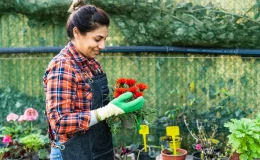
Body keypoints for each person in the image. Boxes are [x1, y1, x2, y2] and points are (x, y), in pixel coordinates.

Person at [42, 0, 145, 159]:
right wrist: (107, 111)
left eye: (105, 39)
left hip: (99, 150)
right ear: (77, 33)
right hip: (72, 153)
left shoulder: (93, 64)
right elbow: (60, 122)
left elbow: (95, 108)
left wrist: (123, 112)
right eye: (97, 39)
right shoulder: (63, 66)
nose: (103, 46)